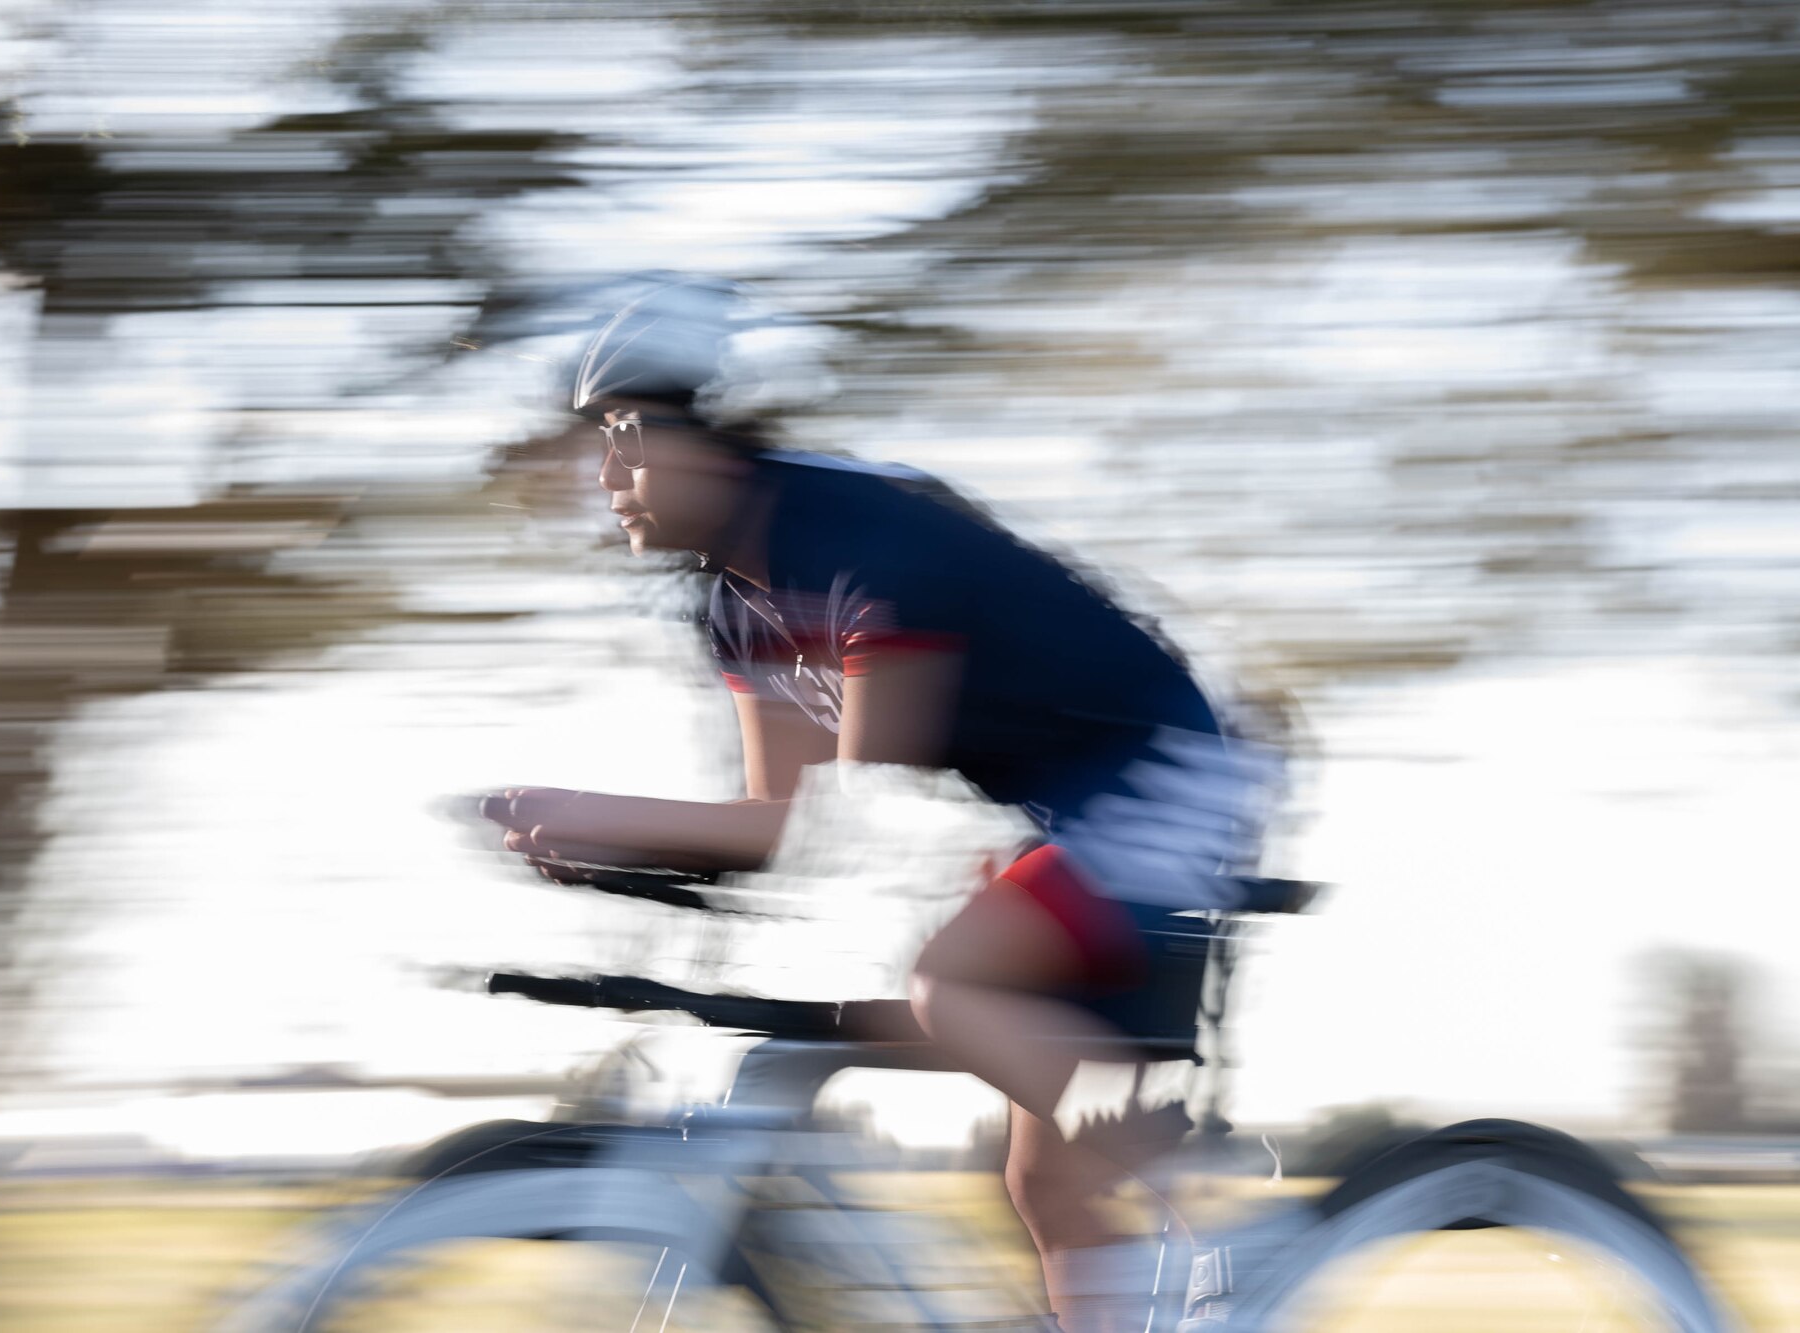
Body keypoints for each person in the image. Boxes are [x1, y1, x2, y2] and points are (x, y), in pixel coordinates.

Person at [482, 273, 1282, 1333]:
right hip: (1065, 808)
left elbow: (841, 815)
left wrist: (598, 812)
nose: (607, 473)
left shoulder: (854, 537)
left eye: (628, 436)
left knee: (955, 985)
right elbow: (774, 817)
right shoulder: (731, 602)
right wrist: (600, 835)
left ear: (712, 442)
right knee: (1045, 1182)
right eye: (597, 444)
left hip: (1165, 766)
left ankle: (1199, 1189)